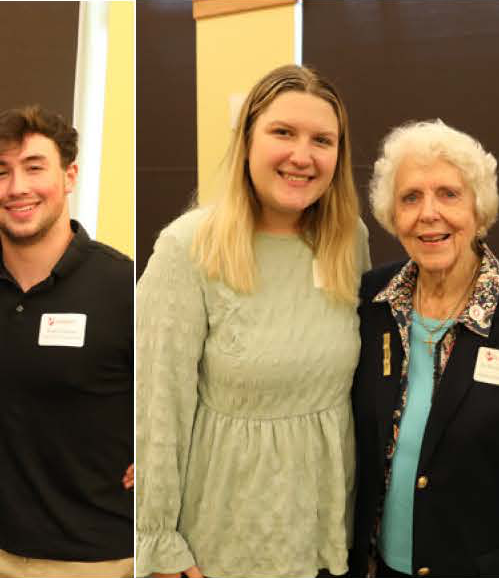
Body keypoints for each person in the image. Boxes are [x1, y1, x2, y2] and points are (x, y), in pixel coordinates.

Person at [137, 64, 368, 578]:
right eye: (282, 132)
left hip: (325, 534)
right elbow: (157, 406)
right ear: (246, 142)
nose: (302, 156)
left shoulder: (349, 240)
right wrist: (158, 544)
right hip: (222, 541)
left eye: (322, 140)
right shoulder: (188, 246)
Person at [345, 120, 499, 577]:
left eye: (449, 194)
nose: (429, 213)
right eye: (410, 197)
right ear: (392, 215)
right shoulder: (370, 303)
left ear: (479, 208)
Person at [0, 105, 134, 577]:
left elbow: (182, 395)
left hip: (95, 558)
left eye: (34, 168)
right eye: (0, 172)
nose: (17, 188)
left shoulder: (124, 285)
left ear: (69, 176)